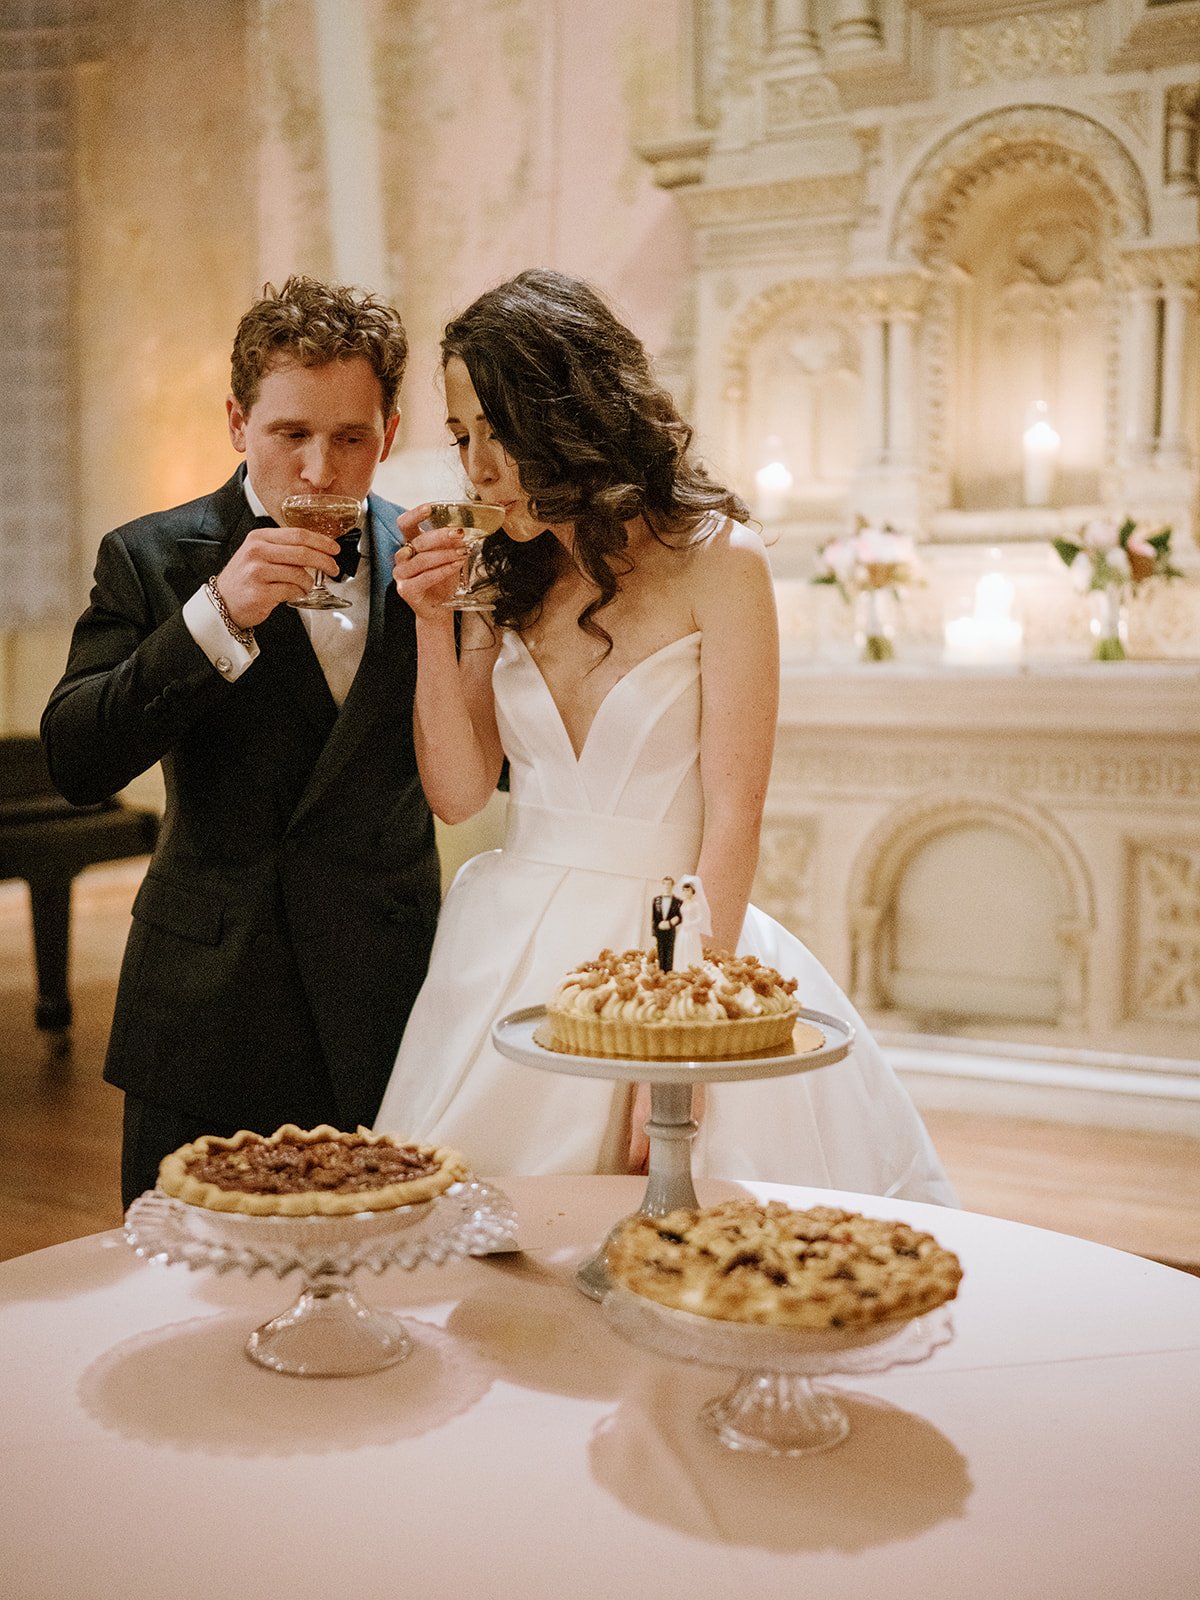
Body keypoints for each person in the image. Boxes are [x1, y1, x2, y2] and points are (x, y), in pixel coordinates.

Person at [374, 267, 954, 1204]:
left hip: (673, 940)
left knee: (692, 1238)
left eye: (499, 431)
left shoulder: (721, 563)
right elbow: (458, 792)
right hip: (504, 947)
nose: (475, 467)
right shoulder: (496, 571)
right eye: (461, 435)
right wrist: (433, 623)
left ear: (571, 417)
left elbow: (733, 816)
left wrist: (675, 1028)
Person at [42, 276, 441, 1209]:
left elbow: (501, 764)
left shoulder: (431, 560)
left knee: (384, 1288)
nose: (318, 470)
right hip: (208, 1001)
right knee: (187, 1296)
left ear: (388, 434)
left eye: (350, 438)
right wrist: (216, 616)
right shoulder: (149, 556)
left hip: (390, 993)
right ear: (236, 423)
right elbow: (75, 760)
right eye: (289, 434)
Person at [673, 875, 710, 972]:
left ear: (692, 891)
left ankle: (690, 967)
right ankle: (679, 967)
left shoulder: (695, 904)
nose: (686, 892)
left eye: (688, 890)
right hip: (683, 928)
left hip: (691, 928)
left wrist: (691, 923)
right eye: (684, 890)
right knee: (681, 945)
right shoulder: (682, 903)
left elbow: (700, 917)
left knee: (690, 947)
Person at [651, 875, 682, 971]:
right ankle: (661, 970)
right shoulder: (656, 900)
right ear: (662, 885)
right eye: (665, 884)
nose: (667, 886)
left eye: (669, 884)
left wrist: (671, 923)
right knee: (660, 950)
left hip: (670, 930)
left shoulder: (678, 902)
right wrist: (654, 931)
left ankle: (668, 972)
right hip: (659, 930)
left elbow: (680, 917)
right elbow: (654, 917)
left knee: (669, 951)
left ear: (672, 886)